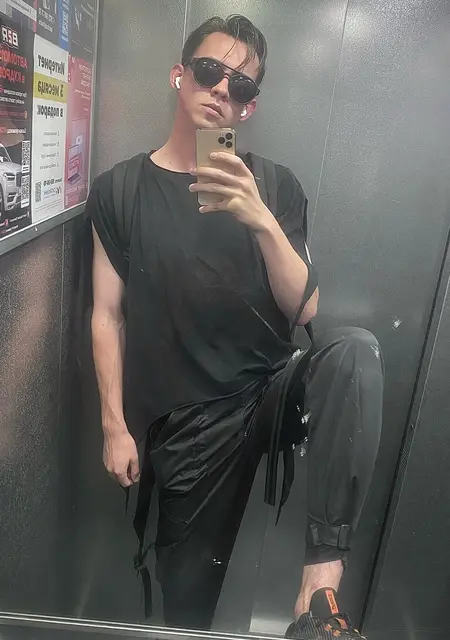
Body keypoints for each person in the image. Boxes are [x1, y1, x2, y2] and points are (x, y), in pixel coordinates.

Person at [86, 14, 384, 639]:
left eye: (240, 85)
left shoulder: (273, 185)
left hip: (269, 392)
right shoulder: (122, 190)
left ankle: (318, 591)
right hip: (187, 420)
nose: (222, 89)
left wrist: (259, 217)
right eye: (209, 71)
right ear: (180, 75)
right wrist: (114, 426)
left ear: (248, 108)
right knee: (187, 603)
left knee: (354, 352)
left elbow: (307, 309)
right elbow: (107, 315)